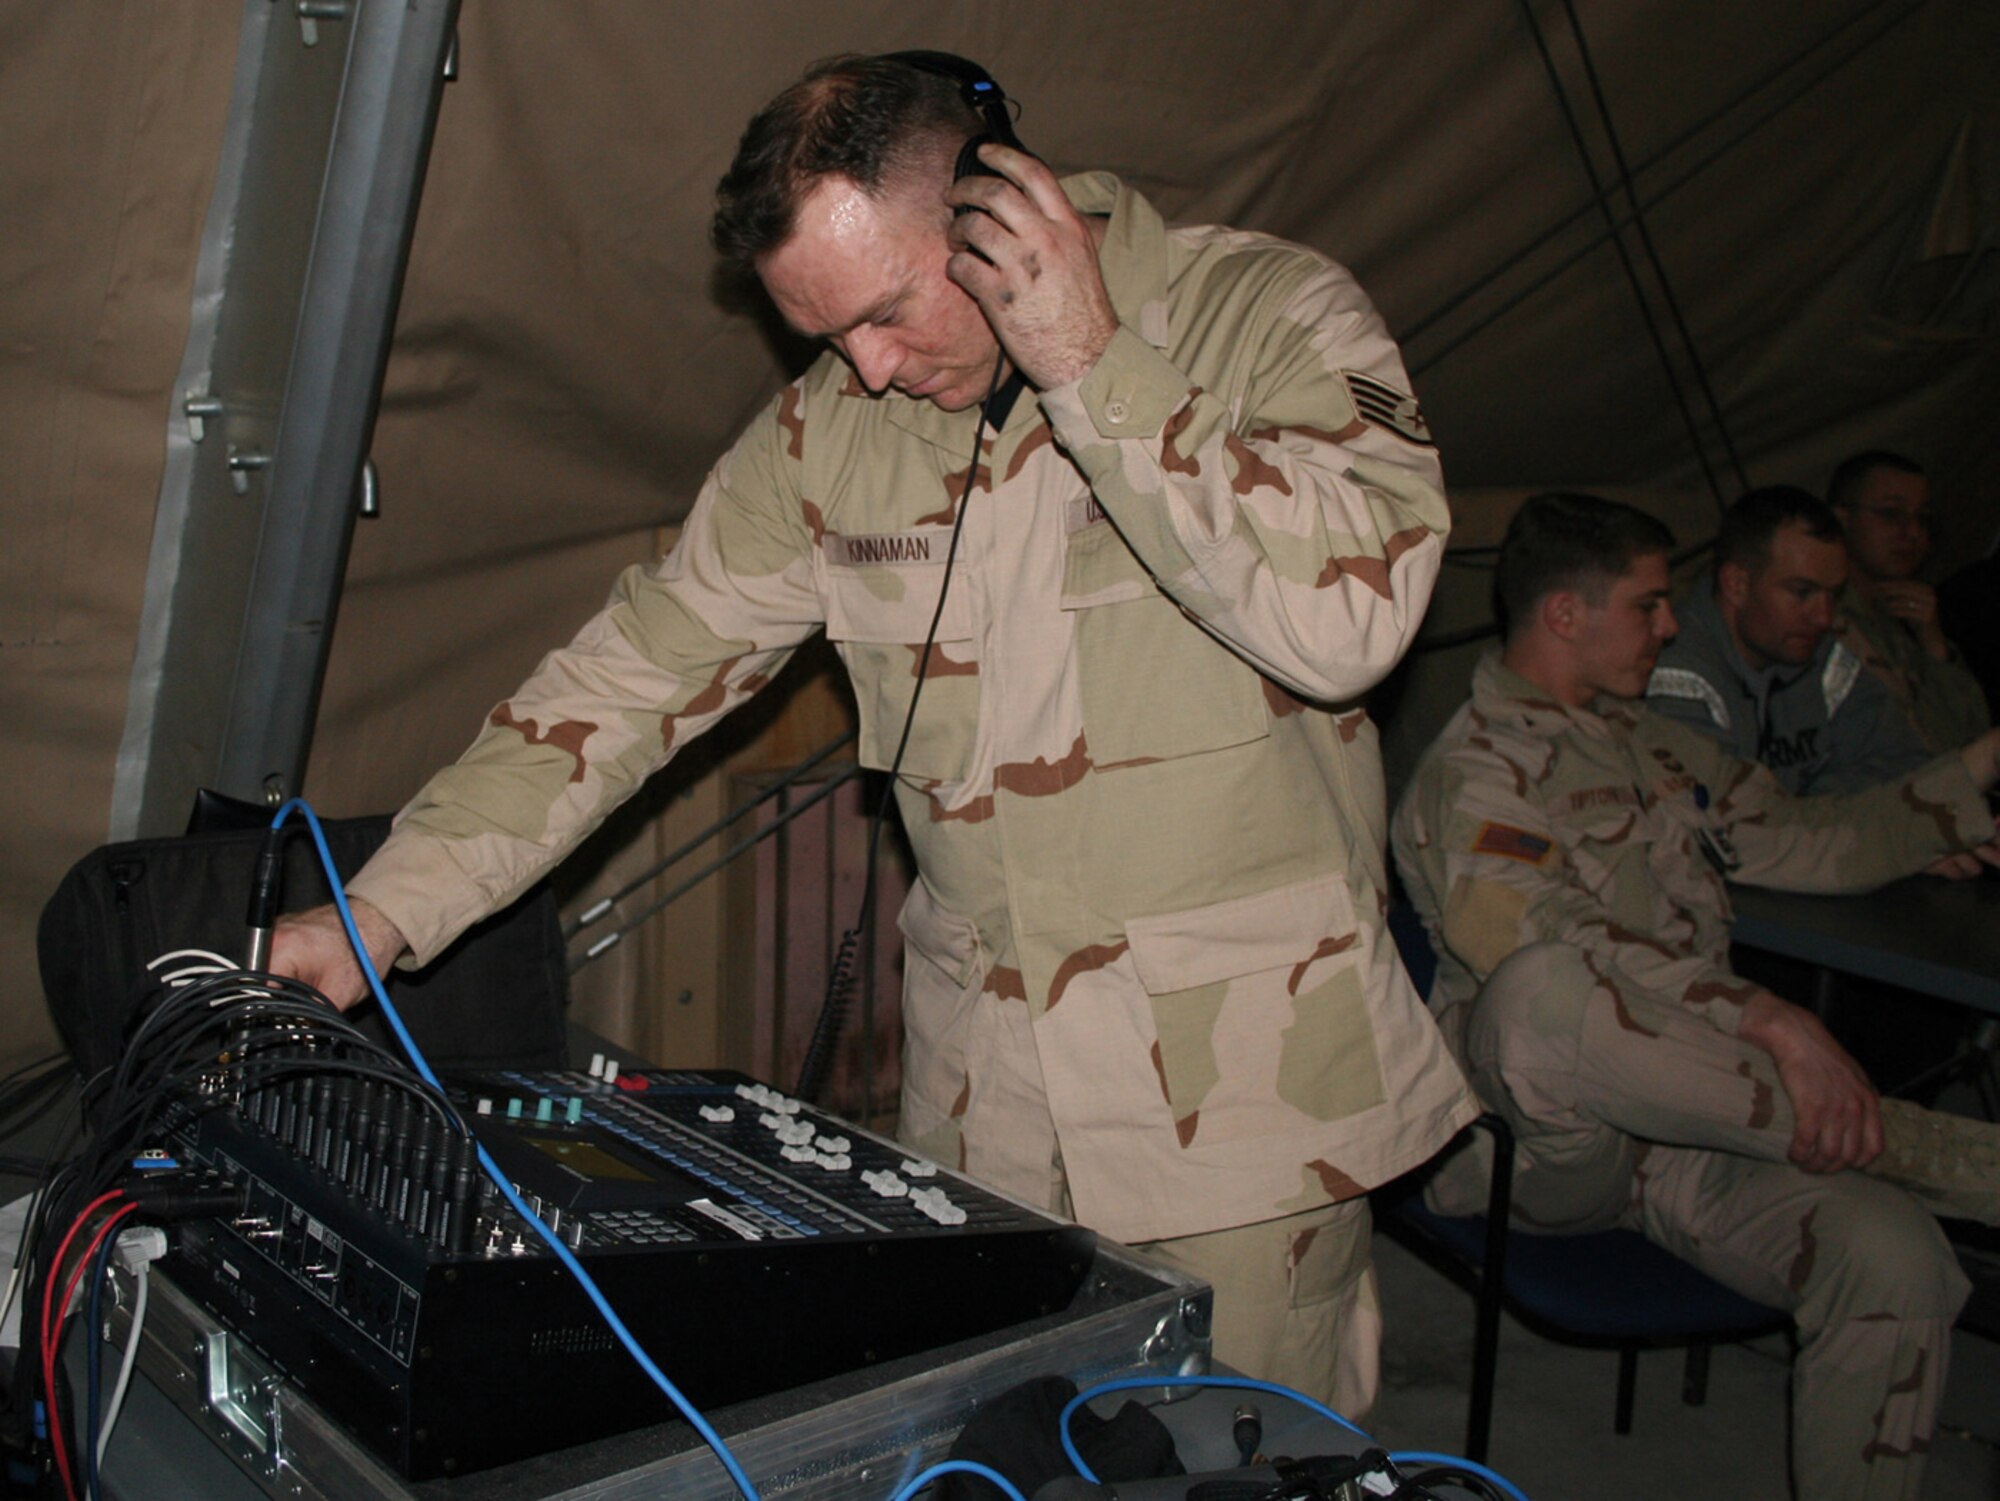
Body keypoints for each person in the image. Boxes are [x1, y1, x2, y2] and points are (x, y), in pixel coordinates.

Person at [269, 52, 1475, 1412]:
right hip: (983, 1119)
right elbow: (628, 679)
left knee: (1244, 1456)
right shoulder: (828, 434)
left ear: (1001, 207)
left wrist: (1092, 363)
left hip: (1249, 1125)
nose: (872, 370)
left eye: (891, 313)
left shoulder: (1263, 316)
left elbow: (1354, 620)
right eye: (826, 338)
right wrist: (377, 918)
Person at [1392, 491, 2000, 1501]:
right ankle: (1925, 1149)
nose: (1672, 626)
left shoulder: (1646, 743)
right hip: (1545, 1148)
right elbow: (1547, 942)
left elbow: (1811, 835)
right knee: (1540, 991)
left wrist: (1970, 776)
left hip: (1694, 1134)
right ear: (1563, 615)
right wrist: (1763, 1015)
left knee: (1894, 1254)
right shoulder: (1472, 767)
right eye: (1647, 605)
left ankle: (1904, 1169)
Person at [1645, 485, 1931, 795]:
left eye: (1834, 594)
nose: (1823, 616)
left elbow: (1905, 763)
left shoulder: (1819, 653)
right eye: (1801, 592)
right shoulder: (1675, 664)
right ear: (1737, 584)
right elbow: (1724, 813)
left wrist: (1821, 804)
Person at [1827, 451, 1991, 753]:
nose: (1912, 532)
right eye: (1891, 514)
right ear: (1843, 519)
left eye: (1923, 519)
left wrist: (1934, 647)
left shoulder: (1902, 617)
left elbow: (1973, 736)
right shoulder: (1819, 618)